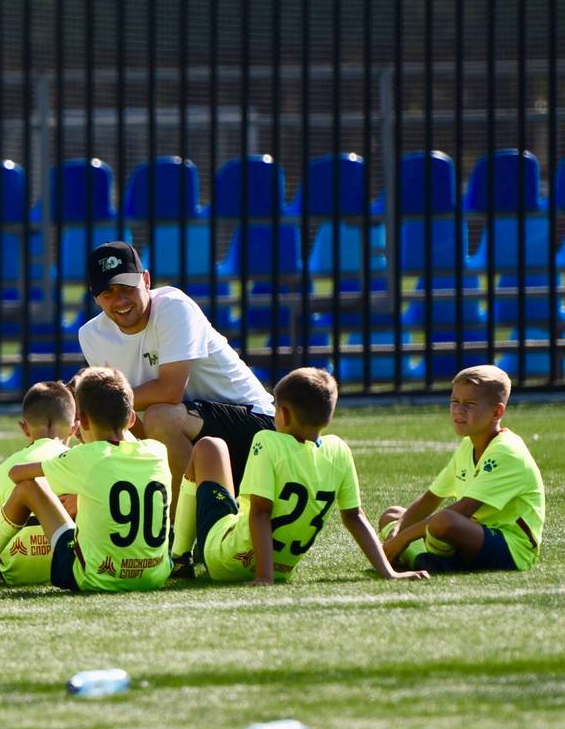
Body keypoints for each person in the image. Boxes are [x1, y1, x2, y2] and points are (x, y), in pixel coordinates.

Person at [76, 240, 275, 574]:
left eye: (126, 287)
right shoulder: (91, 335)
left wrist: (96, 404)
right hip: (197, 440)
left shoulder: (174, 306)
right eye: (107, 293)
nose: (119, 300)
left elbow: (169, 391)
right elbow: (125, 422)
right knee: (123, 429)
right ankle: (163, 538)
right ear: (95, 297)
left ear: (147, 280)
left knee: (161, 416)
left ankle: (180, 546)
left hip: (257, 429)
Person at [183, 367, 428, 585]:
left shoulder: (267, 441)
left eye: (276, 408)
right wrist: (389, 572)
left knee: (209, 447)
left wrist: (264, 577)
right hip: (282, 570)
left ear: (285, 414)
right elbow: (355, 517)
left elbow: (260, 512)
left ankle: (178, 556)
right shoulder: (339, 451)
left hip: (226, 560)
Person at [0, 367, 173, 593]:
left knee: (29, 487)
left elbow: (17, 474)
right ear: (131, 418)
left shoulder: (85, 457)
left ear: (83, 422)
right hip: (155, 576)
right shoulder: (158, 451)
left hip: (94, 579)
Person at [380, 365, 545, 575]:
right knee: (392, 515)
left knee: (444, 522)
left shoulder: (507, 450)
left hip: (511, 548)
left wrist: (403, 538)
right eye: (455, 401)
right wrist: (397, 531)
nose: (459, 410)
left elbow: (465, 509)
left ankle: (423, 558)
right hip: (472, 535)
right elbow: (431, 498)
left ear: (497, 412)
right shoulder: (468, 444)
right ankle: (425, 560)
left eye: (470, 404)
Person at [0, 381, 78, 589]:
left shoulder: (8, 466)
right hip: (72, 564)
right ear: (74, 428)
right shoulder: (78, 462)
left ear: (25, 428)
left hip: (15, 571)